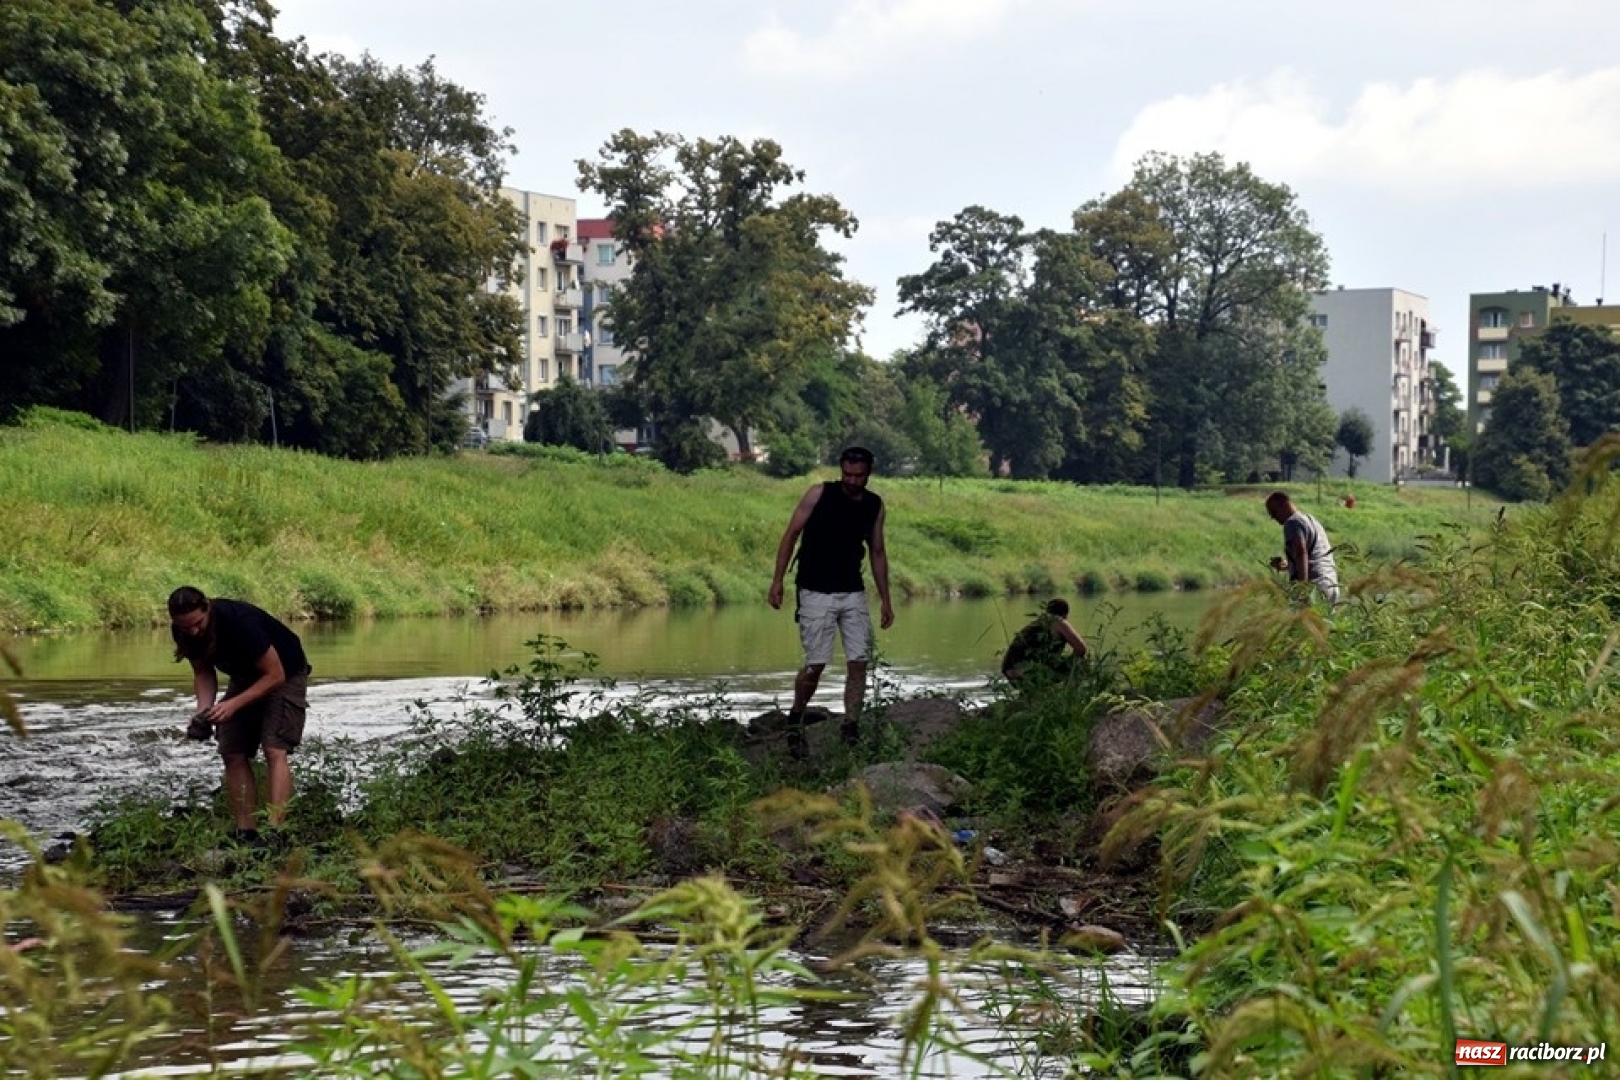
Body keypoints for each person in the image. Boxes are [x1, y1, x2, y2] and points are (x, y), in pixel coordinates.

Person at [767, 446, 894, 755]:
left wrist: (886, 599)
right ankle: (796, 718)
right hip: (814, 590)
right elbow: (791, 535)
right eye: (847, 474)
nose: (852, 481)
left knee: (859, 660)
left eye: (859, 476)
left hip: (852, 590)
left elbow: (877, 552)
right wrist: (777, 580)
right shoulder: (818, 494)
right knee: (816, 664)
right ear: (841, 470)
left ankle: (851, 725)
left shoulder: (874, 505)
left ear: (868, 474)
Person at [169, 586, 310, 841]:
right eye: (185, 627)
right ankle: (247, 831)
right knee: (232, 750)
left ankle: (275, 830)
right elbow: (202, 671)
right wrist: (202, 711)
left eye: (197, 624)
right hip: (244, 676)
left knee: (274, 749)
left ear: (207, 608)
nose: (193, 631)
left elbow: (274, 675)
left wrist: (232, 705)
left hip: (285, 673)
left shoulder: (238, 623)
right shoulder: (183, 630)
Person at [1265, 491, 1340, 607]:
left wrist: (1302, 589)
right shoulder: (1311, 520)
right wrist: (1286, 565)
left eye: (1274, 513)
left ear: (1284, 504)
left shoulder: (1292, 522)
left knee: (1301, 624)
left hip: (1314, 587)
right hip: (1331, 585)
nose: (1274, 518)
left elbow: (1301, 553)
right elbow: (1313, 555)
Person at [1001, 598, 1089, 687]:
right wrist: (1070, 664)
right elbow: (1081, 648)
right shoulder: (1058, 622)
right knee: (1079, 663)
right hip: (1027, 671)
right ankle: (1070, 695)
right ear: (1065, 615)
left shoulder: (1036, 623)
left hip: (1010, 670)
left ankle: (1033, 696)